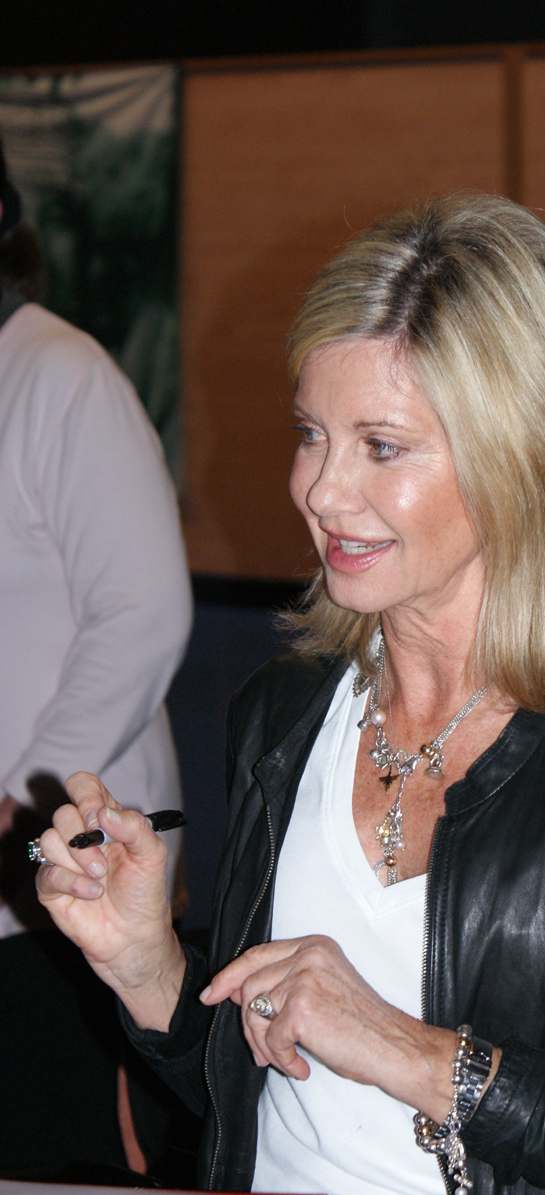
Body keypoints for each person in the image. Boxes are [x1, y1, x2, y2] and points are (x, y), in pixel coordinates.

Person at [35, 194, 545, 1195]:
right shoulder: (283, 714)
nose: (320, 490)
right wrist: (145, 966)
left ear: (517, 455)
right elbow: (261, 1094)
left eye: (381, 446)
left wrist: (412, 1052)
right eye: (312, 433)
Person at [0, 138, 193, 1177]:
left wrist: (20, 804)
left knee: (58, 1152)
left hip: (67, 881)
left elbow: (144, 611)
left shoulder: (58, 373)